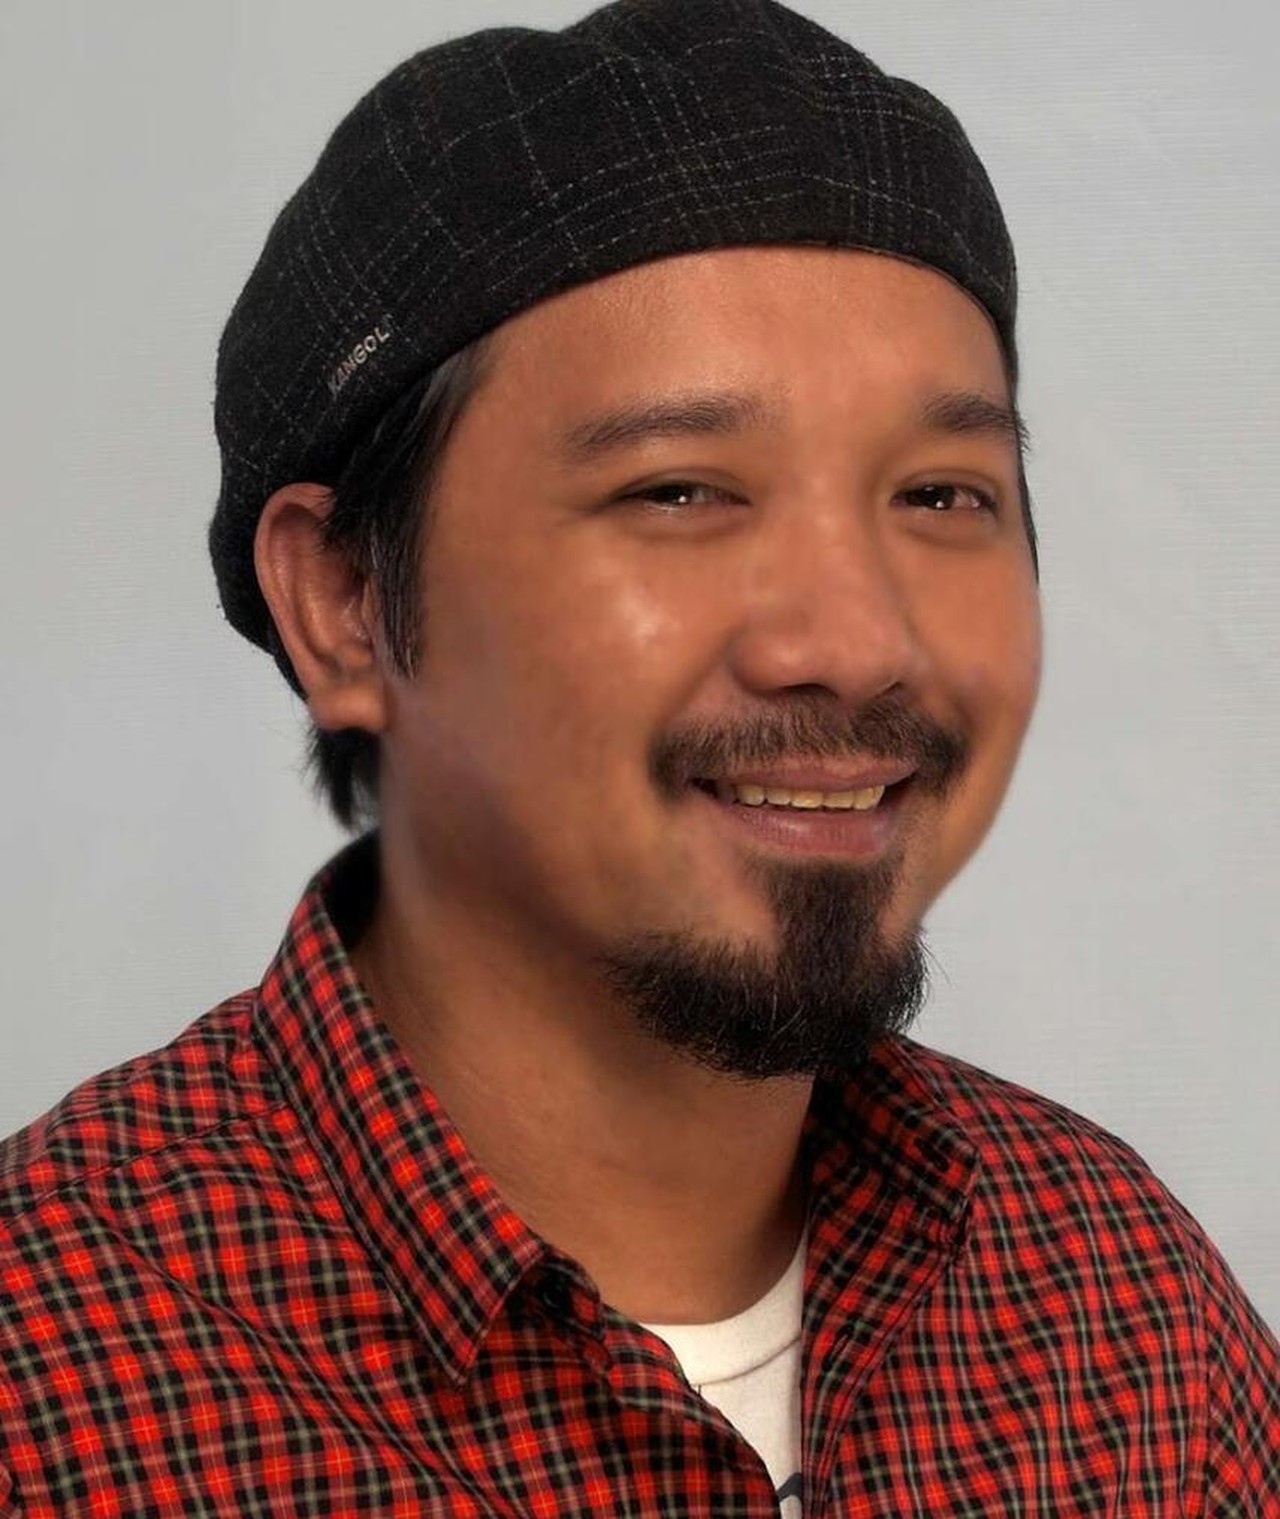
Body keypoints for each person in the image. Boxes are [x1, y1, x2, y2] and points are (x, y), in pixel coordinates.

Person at [2, 0, 1276, 1512]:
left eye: (941, 496)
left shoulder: (1124, 1311)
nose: (858, 641)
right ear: (343, 601)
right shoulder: (47, 1373)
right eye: (681, 491)